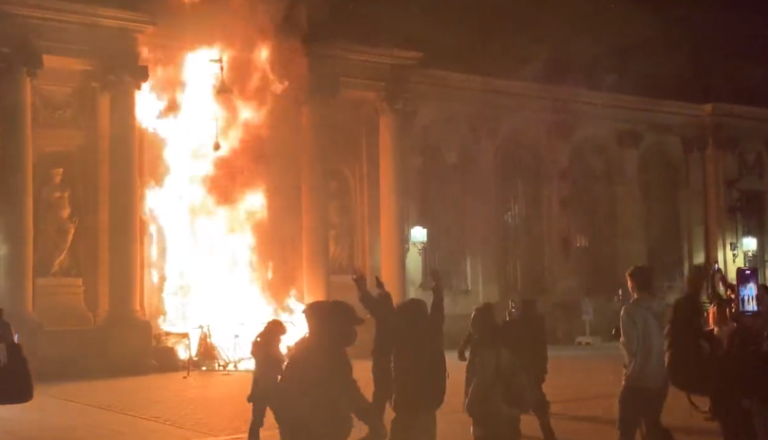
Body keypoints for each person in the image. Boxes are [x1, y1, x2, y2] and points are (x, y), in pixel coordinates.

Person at [270, 300, 385, 440]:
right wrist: (372, 419)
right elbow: (348, 391)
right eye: (346, 325)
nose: (352, 332)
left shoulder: (310, 349)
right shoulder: (324, 354)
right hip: (314, 431)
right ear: (330, 327)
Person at [389, 269, 446, 440]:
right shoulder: (430, 337)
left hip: (406, 406)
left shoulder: (402, 340)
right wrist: (438, 290)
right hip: (426, 407)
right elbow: (437, 315)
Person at [619, 265, 672, 440]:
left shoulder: (630, 311)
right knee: (651, 426)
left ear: (633, 284)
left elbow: (630, 347)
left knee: (626, 431)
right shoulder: (665, 308)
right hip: (660, 380)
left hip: (637, 380)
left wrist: (627, 370)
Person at [464, 303, 521, 440]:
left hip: (489, 410)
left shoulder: (486, 349)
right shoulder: (498, 342)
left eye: (474, 320)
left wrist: (470, 404)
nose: (471, 324)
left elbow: (483, 379)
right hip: (505, 409)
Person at [505, 298, 556, 440]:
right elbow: (542, 349)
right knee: (537, 403)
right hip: (531, 369)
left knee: (514, 403)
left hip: (521, 370)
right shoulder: (537, 323)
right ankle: (547, 432)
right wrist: (542, 368)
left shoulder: (519, 324)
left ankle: (514, 432)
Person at [352, 271, 395, 429]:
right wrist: (382, 289)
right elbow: (375, 303)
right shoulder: (391, 314)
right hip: (389, 360)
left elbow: (371, 303)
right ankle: (377, 425)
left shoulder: (384, 316)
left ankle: (377, 426)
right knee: (384, 393)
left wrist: (361, 287)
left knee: (382, 393)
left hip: (383, 360)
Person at [247, 319, 286, 440]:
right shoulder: (267, 343)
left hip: (262, 384)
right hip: (268, 385)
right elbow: (273, 362)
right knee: (282, 416)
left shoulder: (263, 341)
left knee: (258, 418)